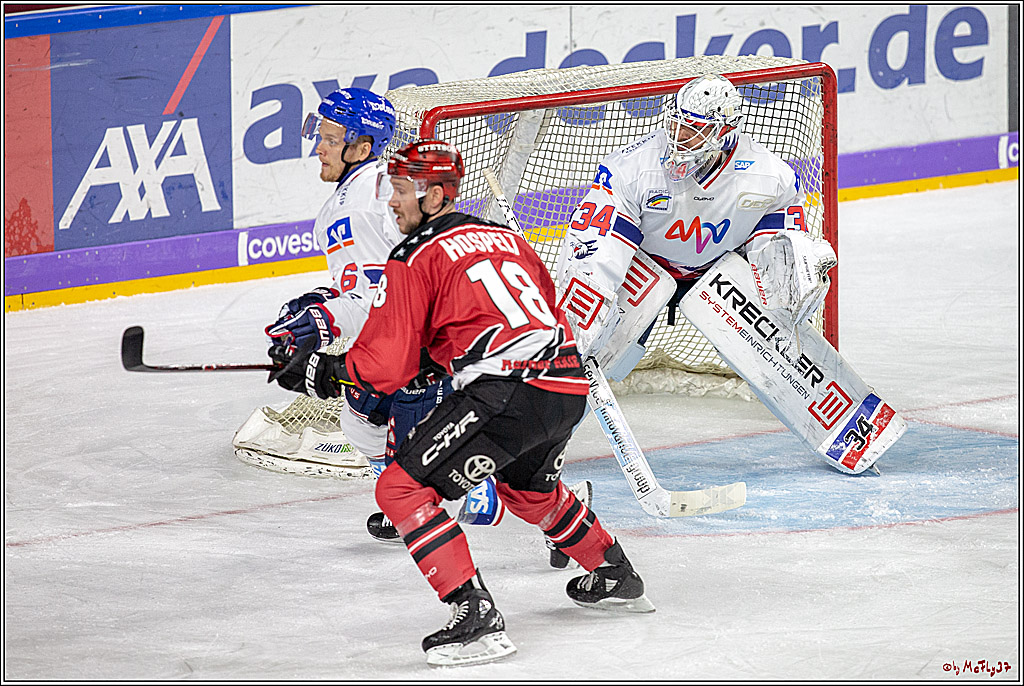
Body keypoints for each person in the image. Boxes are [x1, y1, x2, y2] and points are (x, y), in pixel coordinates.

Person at [271, 139, 654, 667]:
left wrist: (327, 371)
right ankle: (614, 570)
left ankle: (474, 616)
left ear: (434, 196)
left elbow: (387, 366)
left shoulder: (412, 255)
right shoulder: (503, 238)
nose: (393, 203)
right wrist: (440, 358)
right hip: (566, 385)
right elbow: (529, 315)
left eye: (403, 192)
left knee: (400, 489)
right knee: (529, 492)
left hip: (508, 391)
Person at [263, 88, 501, 542]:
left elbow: (400, 277)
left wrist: (325, 321)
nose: (319, 147)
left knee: (428, 426)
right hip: (394, 333)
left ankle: (491, 476)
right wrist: (314, 304)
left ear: (363, 146)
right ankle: (404, 495)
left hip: (432, 336)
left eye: (330, 138)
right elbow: (363, 285)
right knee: (361, 412)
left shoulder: (379, 187)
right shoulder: (338, 205)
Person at [555, 73, 836, 387]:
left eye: (692, 129)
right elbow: (599, 248)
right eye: (675, 123)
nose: (677, 136)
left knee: (777, 330)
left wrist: (795, 273)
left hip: (719, 270)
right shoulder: (632, 168)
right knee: (607, 357)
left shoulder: (770, 175)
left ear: (726, 131)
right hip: (644, 268)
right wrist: (580, 320)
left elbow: (777, 242)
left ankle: (792, 375)